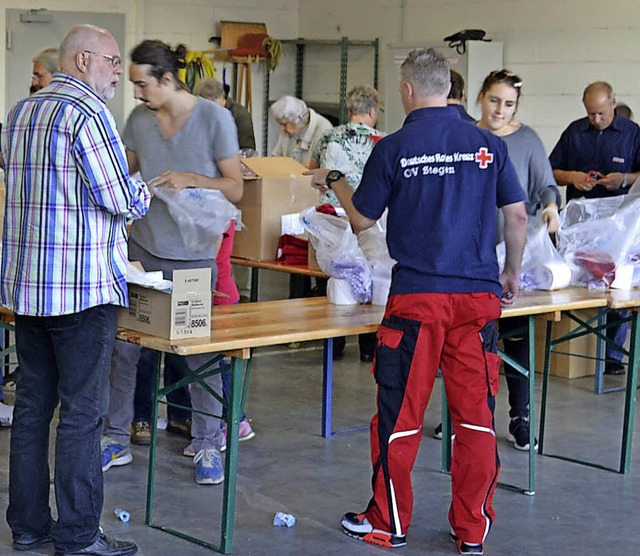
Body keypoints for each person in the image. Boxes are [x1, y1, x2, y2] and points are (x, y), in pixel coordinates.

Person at [306, 48, 527, 555]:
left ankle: (389, 521)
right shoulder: (487, 146)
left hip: (417, 301)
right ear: (450, 89)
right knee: (475, 420)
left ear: (408, 90)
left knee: (399, 416)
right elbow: (516, 216)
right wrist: (510, 270)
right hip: (476, 300)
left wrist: (335, 180)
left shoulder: (395, 147)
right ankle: (472, 530)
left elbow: (362, 220)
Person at [1, 24, 150, 556]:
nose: (117, 73)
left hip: (26, 288)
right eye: (112, 61)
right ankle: (80, 535)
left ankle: (28, 527)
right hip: (80, 292)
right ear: (84, 59)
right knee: (83, 414)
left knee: (32, 408)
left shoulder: (22, 112)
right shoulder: (88, 115)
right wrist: (145, 190)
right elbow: (119, 199)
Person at [101, 39, 243, 486]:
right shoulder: (140, 120)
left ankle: (206, 444)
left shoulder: (213, 118)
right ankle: (114, 436)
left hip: (194, 258)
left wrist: (192, 180)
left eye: (142, 83)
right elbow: (128, 167)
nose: (137, 93)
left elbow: (236, 188)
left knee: (196, 355)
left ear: (167, 78)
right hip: (142, 250)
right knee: (125, 349)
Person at [476, 69, 560, 450]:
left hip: (515, 255)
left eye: (509, 104)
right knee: (472, 342)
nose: (500, 110)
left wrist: (551, 207)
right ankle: (468, 417)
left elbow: (544, 183)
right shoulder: (468, 136)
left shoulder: (527, 140)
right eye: (495, 100)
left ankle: (520, 419)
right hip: (472, 253)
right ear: (481, 97)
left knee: (516, 341)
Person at [550, 81, 640, 375]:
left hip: (619, 226)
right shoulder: (574, 132)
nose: (596, 120)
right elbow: (550, 170)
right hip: (580, 224)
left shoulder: (632, 135)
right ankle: (571, 353)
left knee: (616, 289)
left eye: (601, 113)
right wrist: (572, 177)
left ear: (613, 104)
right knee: (576, 282)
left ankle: (613, 356)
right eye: (590, 114)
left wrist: (624, 180)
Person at [312, 84, 384, 362]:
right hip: (368, 216)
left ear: (350, 109)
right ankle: (368, 346)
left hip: (332, 215)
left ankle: (334, 342)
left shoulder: (328, 135)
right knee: (370, 275)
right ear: (373, 111)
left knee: (334, 275)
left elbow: (313, 169)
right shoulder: (382, 140)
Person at [194, 78, 256, 151]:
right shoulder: (196, 111)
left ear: (222, 99)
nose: (207, 111)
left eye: (211, 106)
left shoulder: (240, 115)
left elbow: (247, 151)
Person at [270, 95, 332, 168]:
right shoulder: (288, 128)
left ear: (299, 119)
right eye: (280, 124)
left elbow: (321, 168)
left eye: (284, 124)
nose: (282, 128)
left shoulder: (324, 129)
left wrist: (288, 168)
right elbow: (276, 157)